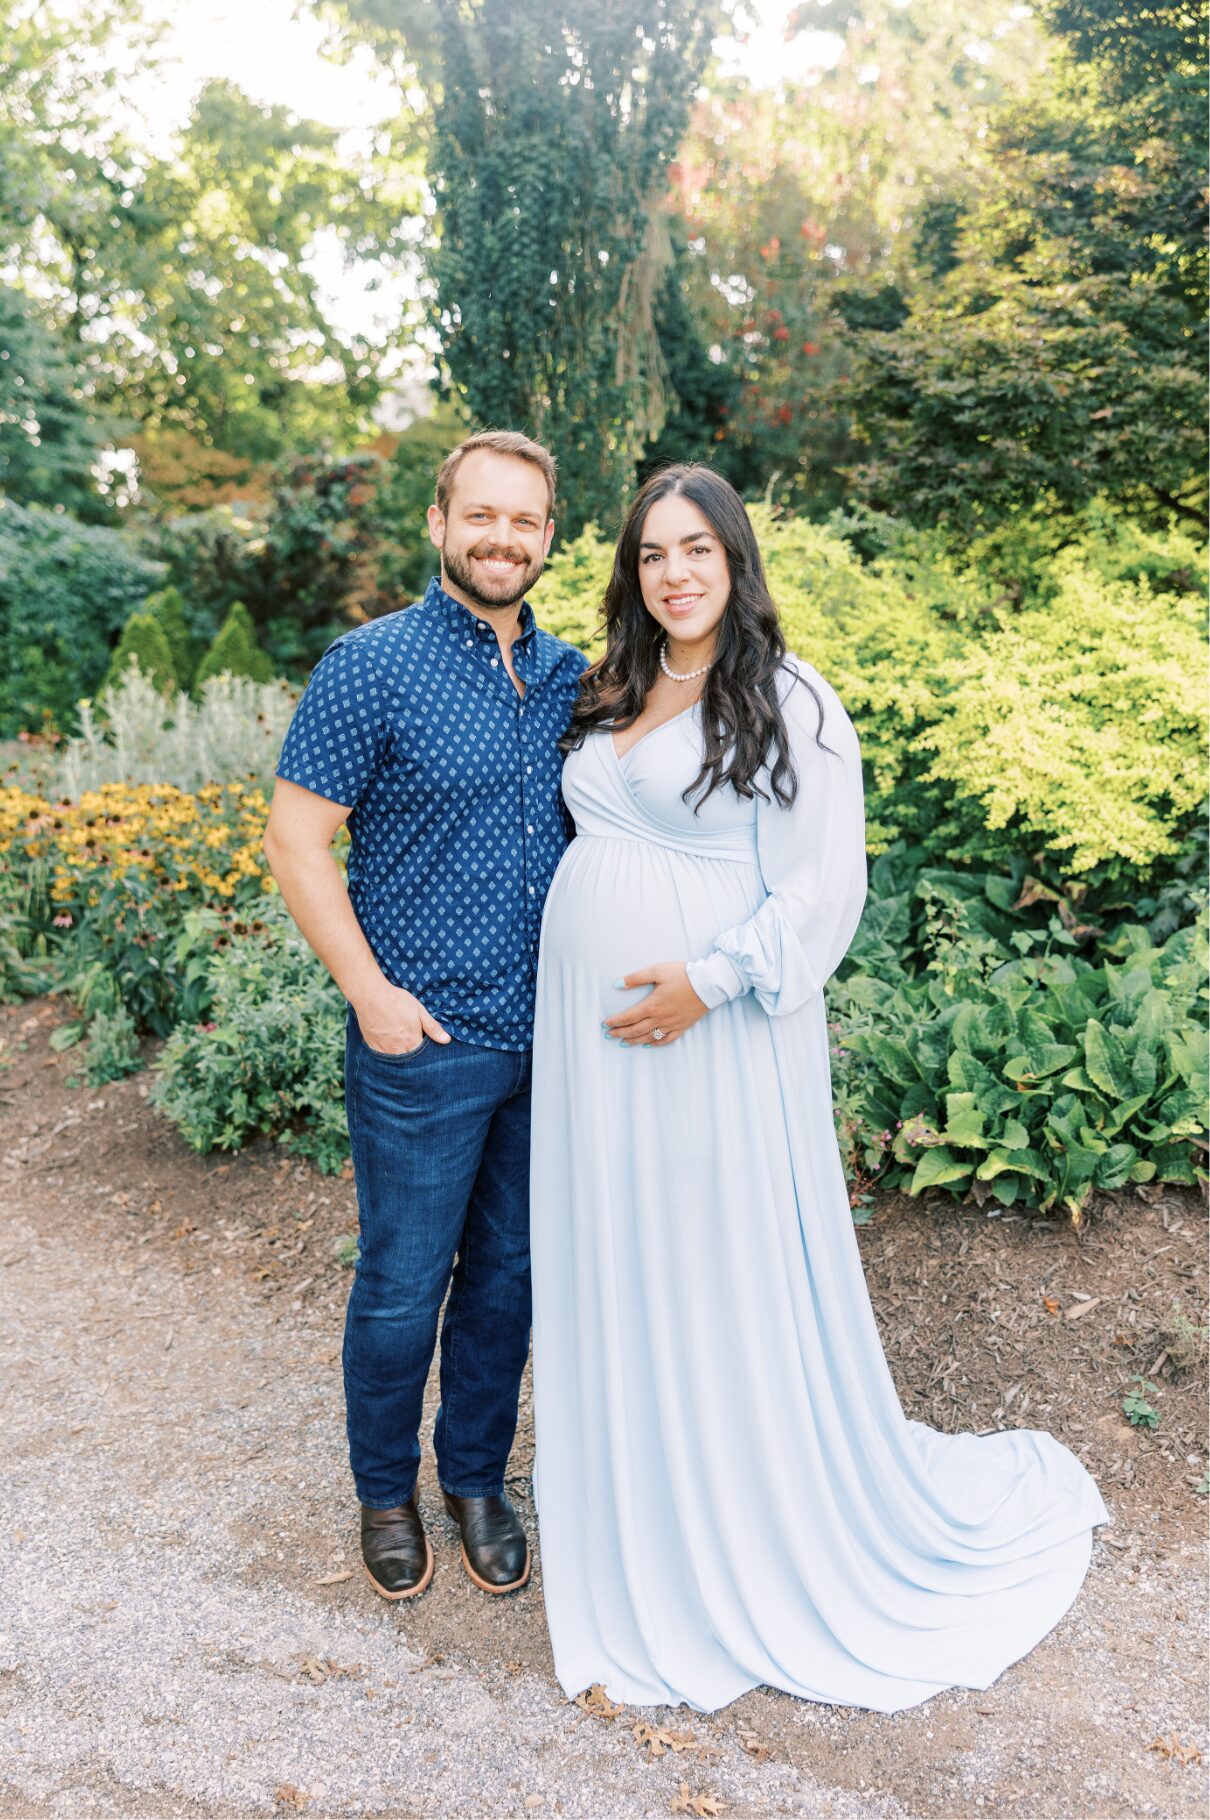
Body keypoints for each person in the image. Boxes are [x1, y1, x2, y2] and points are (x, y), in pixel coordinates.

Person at [529, 463, 1110, 1714]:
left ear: (736, 561)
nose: (673, 572)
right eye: (650, 554)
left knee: (707, 1261)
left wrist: (708, 978)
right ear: (630, 572)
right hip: (592, 1049)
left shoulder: (789, 700)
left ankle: (738, 1523)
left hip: (712, 1038)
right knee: (620, 1258)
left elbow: (819, 891)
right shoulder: (610, 687)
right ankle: (638, 1502)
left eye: (697, 549)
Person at [264, 430, 587, 1602]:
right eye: (482, 515)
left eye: (526, 519)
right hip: (421, 1044)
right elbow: (296, 844)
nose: (503, 537)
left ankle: (475, 1478)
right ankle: (384, 1490)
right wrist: (371, 995)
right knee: (403, 1282)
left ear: (549, 535)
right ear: (440, 524)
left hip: (550, 1043)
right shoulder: (369, 667)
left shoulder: (576, 680)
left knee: (509, 1278)